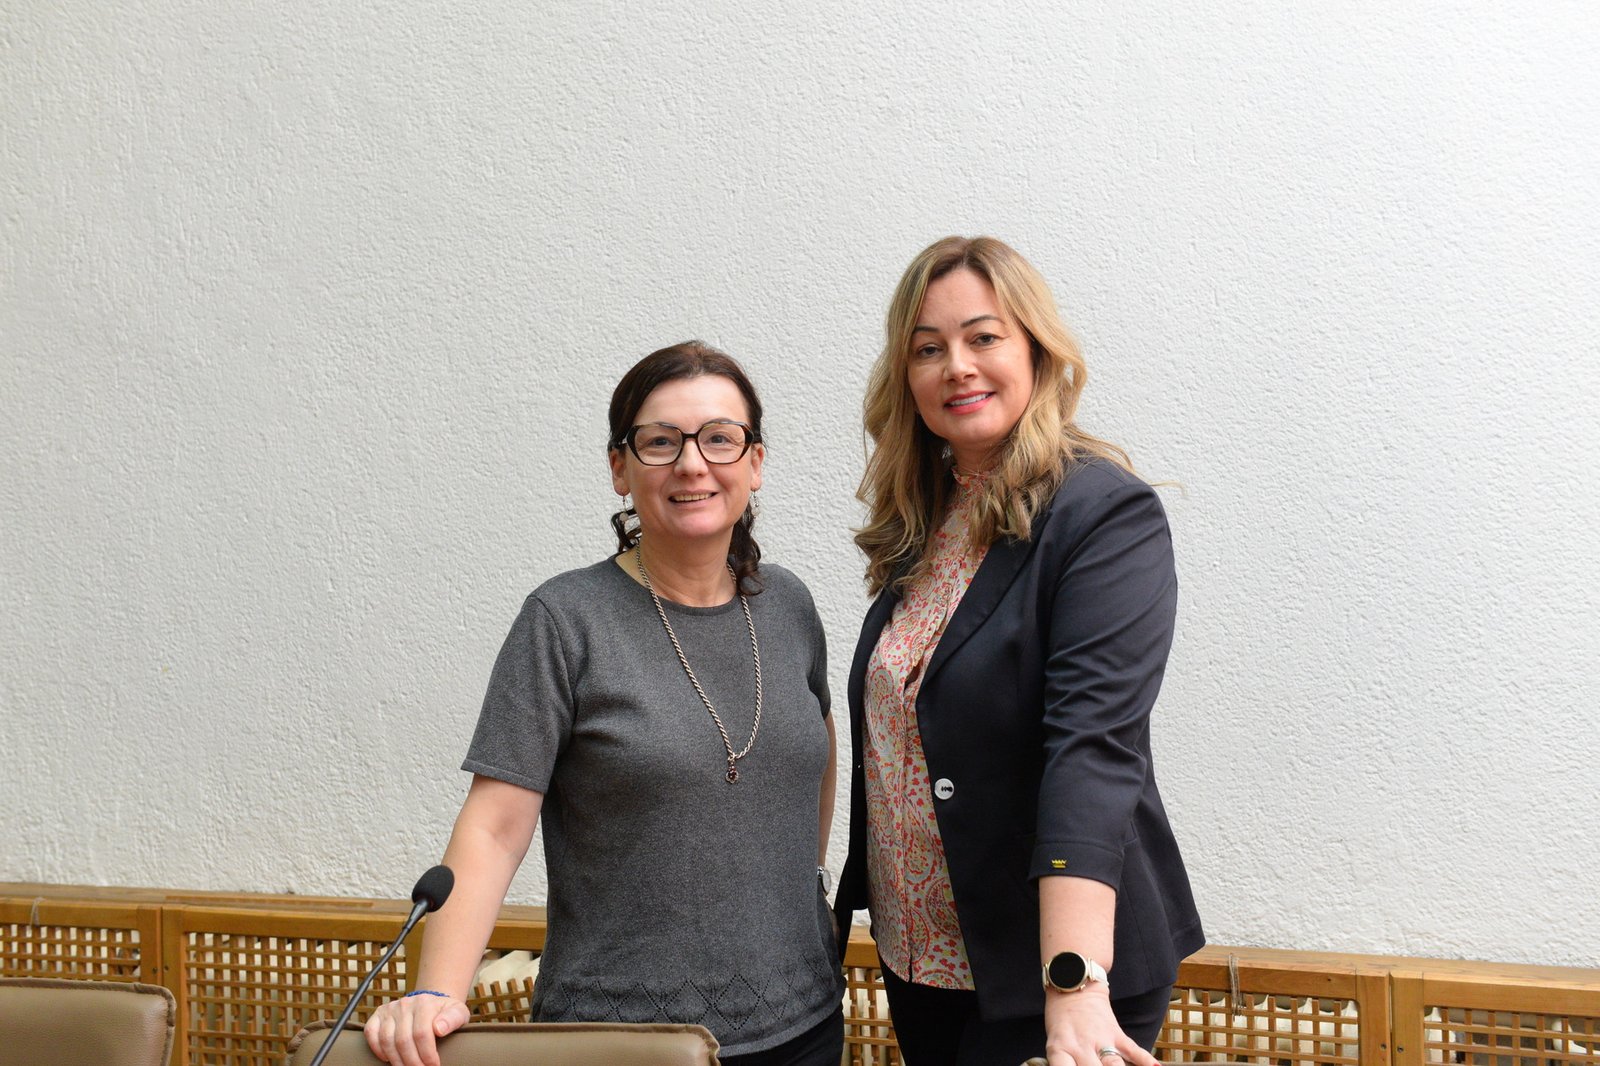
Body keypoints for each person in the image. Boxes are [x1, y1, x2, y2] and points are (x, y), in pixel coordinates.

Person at [365, 342, 845, 1066]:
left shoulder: (788, 605)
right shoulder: (564, 620)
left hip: (804, 1022)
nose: (692, 464)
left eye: (719, 438)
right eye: (661, 442)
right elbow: (494, 829)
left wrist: (804, 889)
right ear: (620, 468)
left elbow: (816, 751)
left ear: (755, 463)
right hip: (618, 1038)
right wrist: (436, 991)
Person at [832, 237, 1204, 1066]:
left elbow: (1092, 750)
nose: (957, 366)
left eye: (983, 337)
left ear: (1036, 349)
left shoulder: (1103, 515)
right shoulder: (927, 519)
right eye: (927, 349)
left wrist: (1074, 979)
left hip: (1049, 972)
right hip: (922, 961)